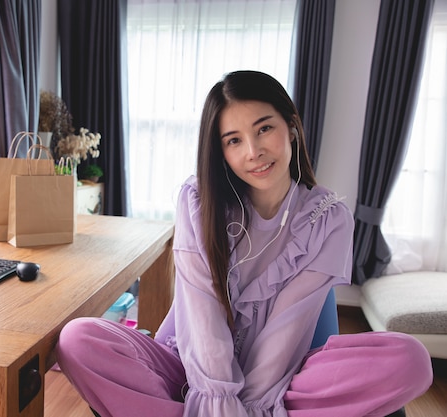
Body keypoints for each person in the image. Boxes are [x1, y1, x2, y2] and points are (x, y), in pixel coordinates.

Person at [55, 70, 433, 417]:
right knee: (79, 338)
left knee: (410, 359)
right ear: (221, 152)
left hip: (283, 382)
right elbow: (203, 315)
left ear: (292, 126)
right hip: (188, 373)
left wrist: (246, 407)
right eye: (234, 140)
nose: (253, 152)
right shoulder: (198, 202)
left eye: (264, 129)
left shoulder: (330, 219)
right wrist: (218, 403)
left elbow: (287, 331)